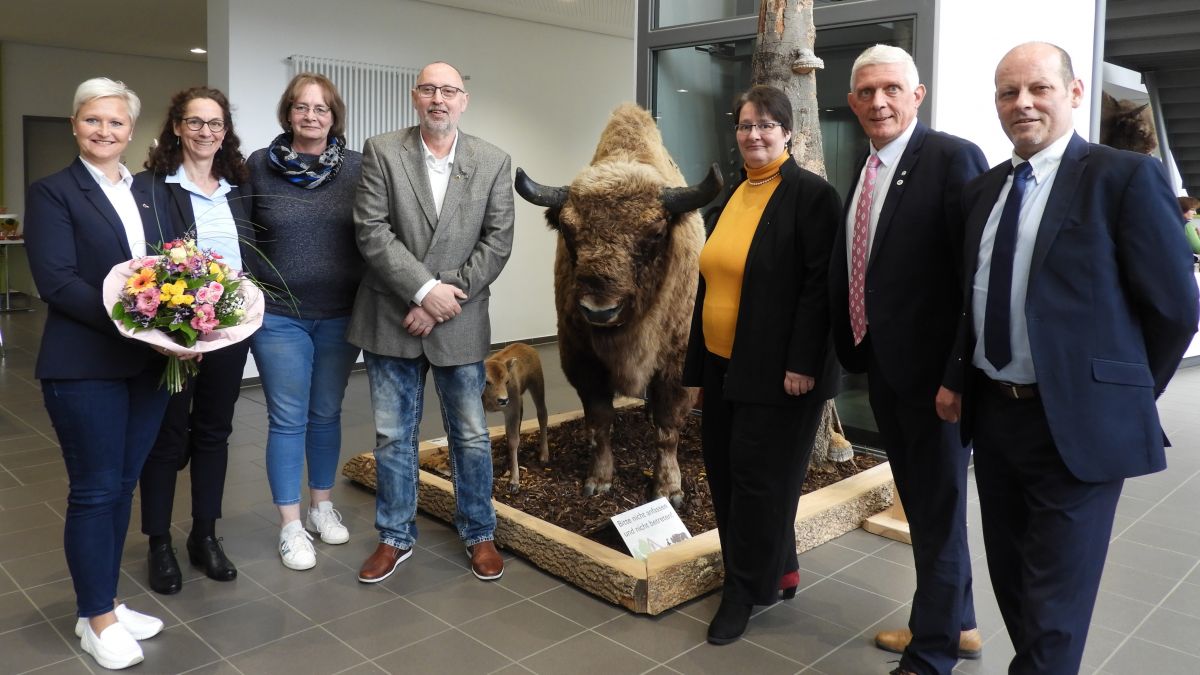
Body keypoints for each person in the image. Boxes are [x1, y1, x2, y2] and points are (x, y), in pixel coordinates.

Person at [939, 42, 1198, 675]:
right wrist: (955, 379)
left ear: (1074, 93)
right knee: (1015, 586)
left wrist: (1120, 390)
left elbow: (1174, 310)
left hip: (1074, 429)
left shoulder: (1121, 178)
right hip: (996, 420)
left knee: (1054, 610)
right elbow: (971, 301)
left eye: (1038, 89)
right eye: (1008, 92)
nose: (1022, 103)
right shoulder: (982, 193)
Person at [828, 45, 987, 675]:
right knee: (927, 506)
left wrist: (956, 375)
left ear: (917, 96)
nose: (878, 102)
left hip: (935, 383)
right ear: (851, 103)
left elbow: (973, 276)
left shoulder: (951, 159)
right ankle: (960, 626)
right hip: (886, 374)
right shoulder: (865, 170)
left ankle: (930, 654)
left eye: (892, 88)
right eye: (866, 92)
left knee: (938, 510)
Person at [681, 84, 841, 645]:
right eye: (746, 125)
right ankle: (778, 566)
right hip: (724, 367)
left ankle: (742, 590)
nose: (754, 135)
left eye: (766, 125)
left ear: (788, 132)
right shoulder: (728, 202)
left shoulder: (811, 196)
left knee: (757, 484)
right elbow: (709, 290)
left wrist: (803, 363)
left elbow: (821, 290)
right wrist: (698, 374)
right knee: (727, 476)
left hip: (780, 375)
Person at [350, 61, 514, 584]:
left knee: (470, 436)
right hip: (391, 317)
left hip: (459, 323)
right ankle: (395, 537)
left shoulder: (493, 160)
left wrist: (444, 299)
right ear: (414, 96)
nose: (438, 99)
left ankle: (479, 531)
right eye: (428, 89)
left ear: (464, 100)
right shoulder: (381, 151)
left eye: (449, 90)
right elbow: (371, 231)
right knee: (393, 437)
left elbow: (498, 241)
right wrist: (423, 292)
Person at [24, 77, 168, 670]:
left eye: (115, 122)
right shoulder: (53, 192)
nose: (104, 130)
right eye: (92, 120)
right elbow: (57, 282)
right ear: (75, 125)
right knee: (95, 490)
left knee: (123, 484)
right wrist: (139, 322)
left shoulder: (151, 191)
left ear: (131, 131)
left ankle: (102, 601)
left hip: (150, 363)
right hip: (83, 363)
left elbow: (169, 270)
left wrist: (186, 328)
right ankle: (96, 620)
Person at [134, 87, 254, 595]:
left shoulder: (239, 186)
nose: (206, 132)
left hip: (230, 331)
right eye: (196, 122)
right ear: (177, 127)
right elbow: (142, 257)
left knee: (213, 431)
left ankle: (203, 534)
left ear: (226, 131)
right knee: (166, 437)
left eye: (216, 123)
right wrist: (166, 326)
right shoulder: (154, 186)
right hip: (174, 334)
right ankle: (159, 541)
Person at [247, 73, 363, 571]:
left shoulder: (359, 168)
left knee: (326, 414)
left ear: (333, 116)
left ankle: (321, 506)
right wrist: (255, 292)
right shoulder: (258, 165)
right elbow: (241, 235)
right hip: (279, 317)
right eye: (301, 107)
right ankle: (291, 527)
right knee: (288, 418)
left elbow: (376, 233)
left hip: (341, 314)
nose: (310, 116)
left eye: (320, 109)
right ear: (287, 113)